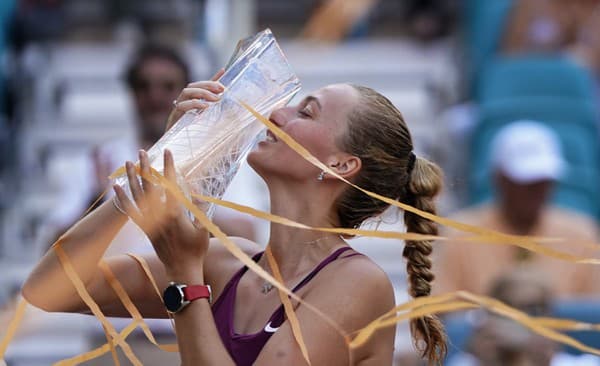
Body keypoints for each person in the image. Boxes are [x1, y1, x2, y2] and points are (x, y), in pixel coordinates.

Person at [21, 79, 447, 364]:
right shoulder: (229, 265)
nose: (278, 113)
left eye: (307, 112)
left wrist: (185, 275)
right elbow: (48, 289)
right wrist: (157, 169)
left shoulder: (358, 282)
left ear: (340, 164)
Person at [434, 121, 600, 298]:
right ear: (500, 179)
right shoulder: (457, 236)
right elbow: (442, 313)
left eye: (542, 181)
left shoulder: (582, 235)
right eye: (524, 182)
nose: (535, 190)